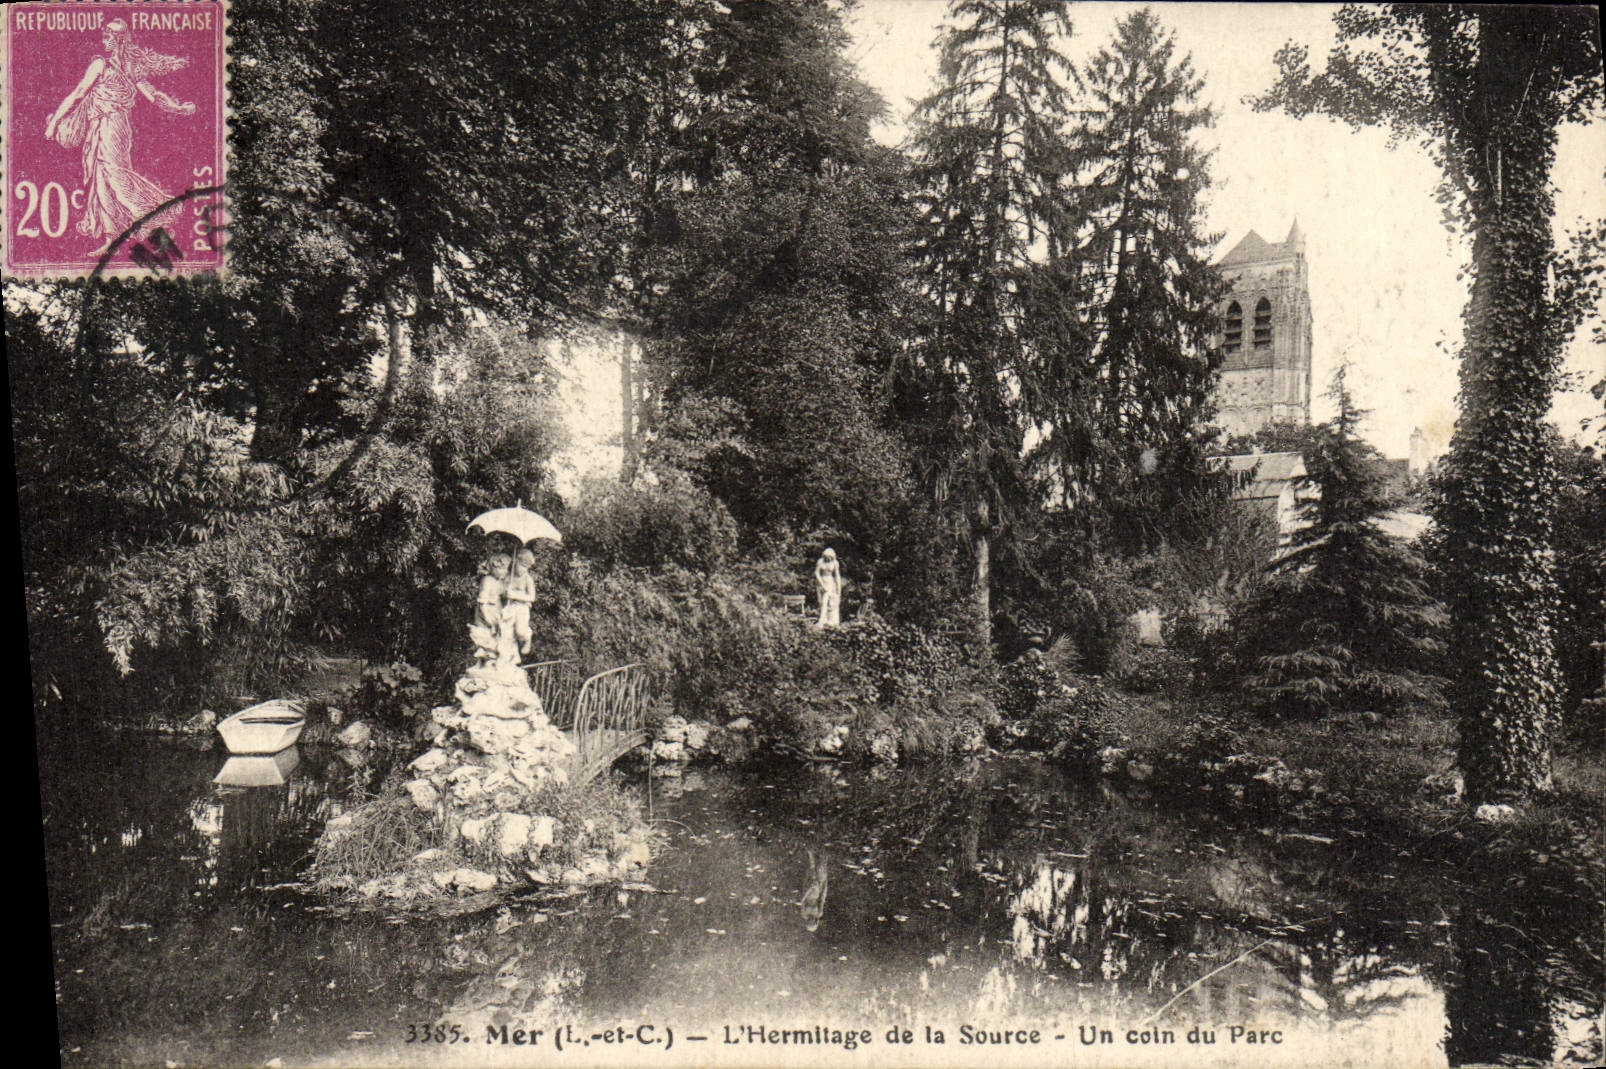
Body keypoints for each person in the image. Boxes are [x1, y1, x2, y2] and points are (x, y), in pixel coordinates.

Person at [44, 19, 196, 244]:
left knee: (115, 175)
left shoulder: (102, 65)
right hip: (107, 126)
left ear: (118, 40)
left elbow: (79, 93)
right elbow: (153, 96)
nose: (104, 41)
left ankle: (150, 214)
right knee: (101, 176)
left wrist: (54, 122)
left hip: (111, 126)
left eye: (108, 37)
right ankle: (110, 237)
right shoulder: (127, 67)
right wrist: (177, 108)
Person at [503, 548, 536, 656]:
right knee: (504, 632)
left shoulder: (528, 579)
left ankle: (528, 637)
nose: (523, 570)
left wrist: (515, 595)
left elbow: (532, 597)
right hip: (510, 606)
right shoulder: (509, 576)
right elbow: (502, 591)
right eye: (521, 565)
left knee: (520, 631)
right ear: (516, 561)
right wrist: (506, 593)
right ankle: (508, 656)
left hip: (522, 607)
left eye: (526, 567)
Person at [815, 548, 841, 629]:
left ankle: (832, 621)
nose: (828, 559)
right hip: (822, 582)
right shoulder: (820, 561)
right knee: (822, 602)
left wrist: (838, 588)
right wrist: (822, 584)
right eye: (826, 558)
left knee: (831, 602)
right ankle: (822, 620)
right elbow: (816, 573)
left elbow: (837, 576)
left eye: (829, 558)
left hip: (830, 582)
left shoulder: (835, 563)